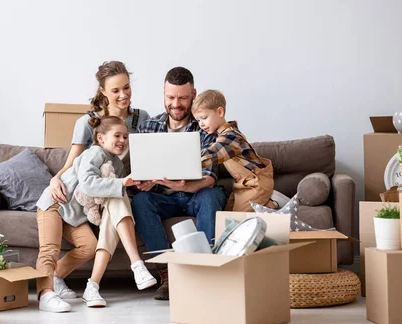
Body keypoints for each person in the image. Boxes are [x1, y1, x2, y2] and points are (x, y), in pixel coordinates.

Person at [46, 61, 151, 298]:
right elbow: (72, 163)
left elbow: (148, 158)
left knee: (117, 196)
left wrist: (147, 179)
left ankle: (92, 286)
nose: (123, 95)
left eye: (126, 87)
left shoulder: (142, 119)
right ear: (103, 91)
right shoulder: (87, 122)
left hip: (128, 187)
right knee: (116, 195)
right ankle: (135, 266)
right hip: (97, 192)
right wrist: (55, 179)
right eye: (115, 90)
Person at [36, 116, 156, 313]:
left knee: (89, 246)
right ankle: (45, 293)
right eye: (117, 135)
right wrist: (121, 184)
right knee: (50, 247)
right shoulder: (94, 153)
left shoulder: (117, 164)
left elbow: (110, 193)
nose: (123, 140)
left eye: (125, 136)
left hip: (74, 214)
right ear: (101, 139)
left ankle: (56, 276)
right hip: (54, 205)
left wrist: (136, 185)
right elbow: (88, 184)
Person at [131, 67, 228, 300]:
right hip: (163, 197)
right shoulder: (147, 127)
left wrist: (185, 185)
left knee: (212, 195)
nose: (176, 104)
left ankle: (203, 269)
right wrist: (142, 182)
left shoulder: (205, 124)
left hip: (196, 194)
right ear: (163, 94)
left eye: (183, 98)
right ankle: (168, 275)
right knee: (141, 200)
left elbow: (210, 173)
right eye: (170, 97)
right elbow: (140, 169)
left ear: (193, 94)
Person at [191, 89, 275, 212]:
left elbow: (211, 155)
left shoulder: (230, 137)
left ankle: (272, 207)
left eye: (204, 118)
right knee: (226, 215)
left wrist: (187, 161)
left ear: (220, 112)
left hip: (256, 183)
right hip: (242, 184)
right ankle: (266, 205)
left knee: (236, 219)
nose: (201, 124)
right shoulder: (221, 135)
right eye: (198, 120)